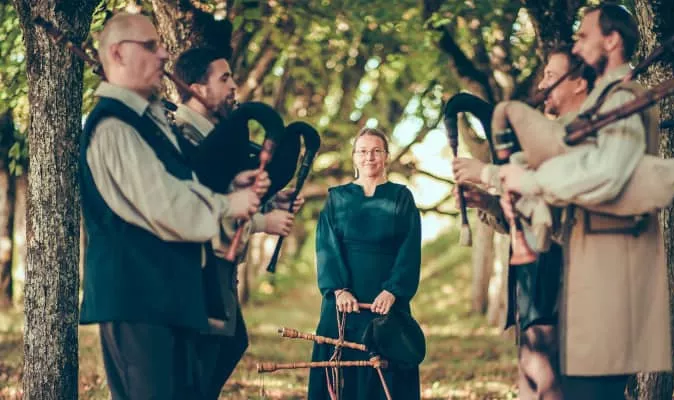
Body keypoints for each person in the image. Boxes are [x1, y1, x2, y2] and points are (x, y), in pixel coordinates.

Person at [78, 13, 264, 398]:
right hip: (138, 301)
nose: (163, 54)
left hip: (168, 300)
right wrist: (229, 204)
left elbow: (182, 186)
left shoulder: (149, 123)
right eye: (150, 46)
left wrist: (232, 189)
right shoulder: (113, 127)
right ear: (117, 53)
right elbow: (168, 205)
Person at [495, 3, 673, 399]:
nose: (576, 46)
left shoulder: (623, 100)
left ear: (612, 40)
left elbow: (606, 175)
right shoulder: (603, 104)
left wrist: (532, 181)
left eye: (584, 36)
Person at [452, 46, 595, 400]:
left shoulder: (586, 134)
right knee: (537, 388)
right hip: (535, 291)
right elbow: (533, 210)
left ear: (579, 83)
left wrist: (486, 173)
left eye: (551, 76)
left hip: (567, 288)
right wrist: (488, 202)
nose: (542, 84)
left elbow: (562, 205)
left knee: (555, 389)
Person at [172, 46, 305, 398]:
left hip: (216, 272)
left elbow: (228, 189)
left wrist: (272, 200)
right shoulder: (181, 135)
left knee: (228, 346)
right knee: (199, 367)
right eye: (224, 78)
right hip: (194, 274)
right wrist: (263, 222)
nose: (234, 86)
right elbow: (195, 206)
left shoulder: (215, 135)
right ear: (197, 88)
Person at [307, 127, 422, 399]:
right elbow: (326, 246)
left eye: (376, 151)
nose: (369, 157)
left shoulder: (401, 197)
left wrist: (392, 290)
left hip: (387, 304)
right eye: (362, 151)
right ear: (354, 157)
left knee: (387, 377)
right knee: (339, 376)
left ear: (386, 156)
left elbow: (409, 249)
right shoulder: (337, 198)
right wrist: (339, 290)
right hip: (343, 306)